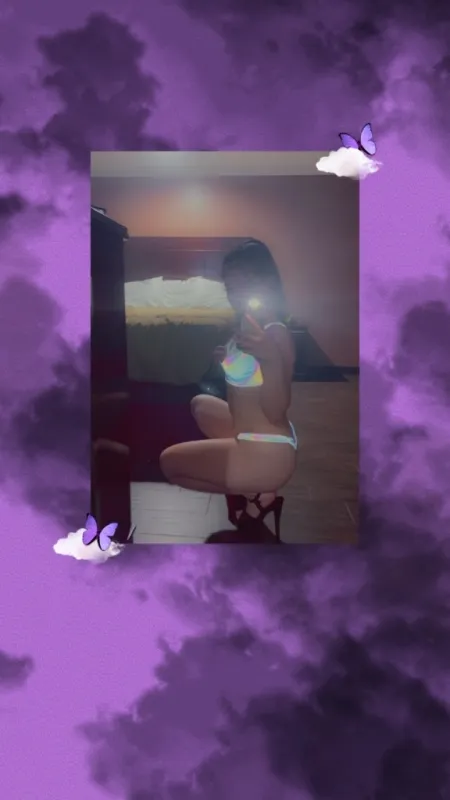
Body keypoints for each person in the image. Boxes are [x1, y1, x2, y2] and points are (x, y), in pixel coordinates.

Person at [159, 238, 297, 539]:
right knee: (200, 404)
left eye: (245, 284)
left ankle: (256, 493)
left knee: (169, 463)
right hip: (255, 434)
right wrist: (228, 361)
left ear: (266, 283)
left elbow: (276, 410)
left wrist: (271, 358)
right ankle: (257, 487)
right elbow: (248, 383)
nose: (236, 295)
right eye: (231, 287)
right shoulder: (248, 326)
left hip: (269, 451)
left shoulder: (276, 334)